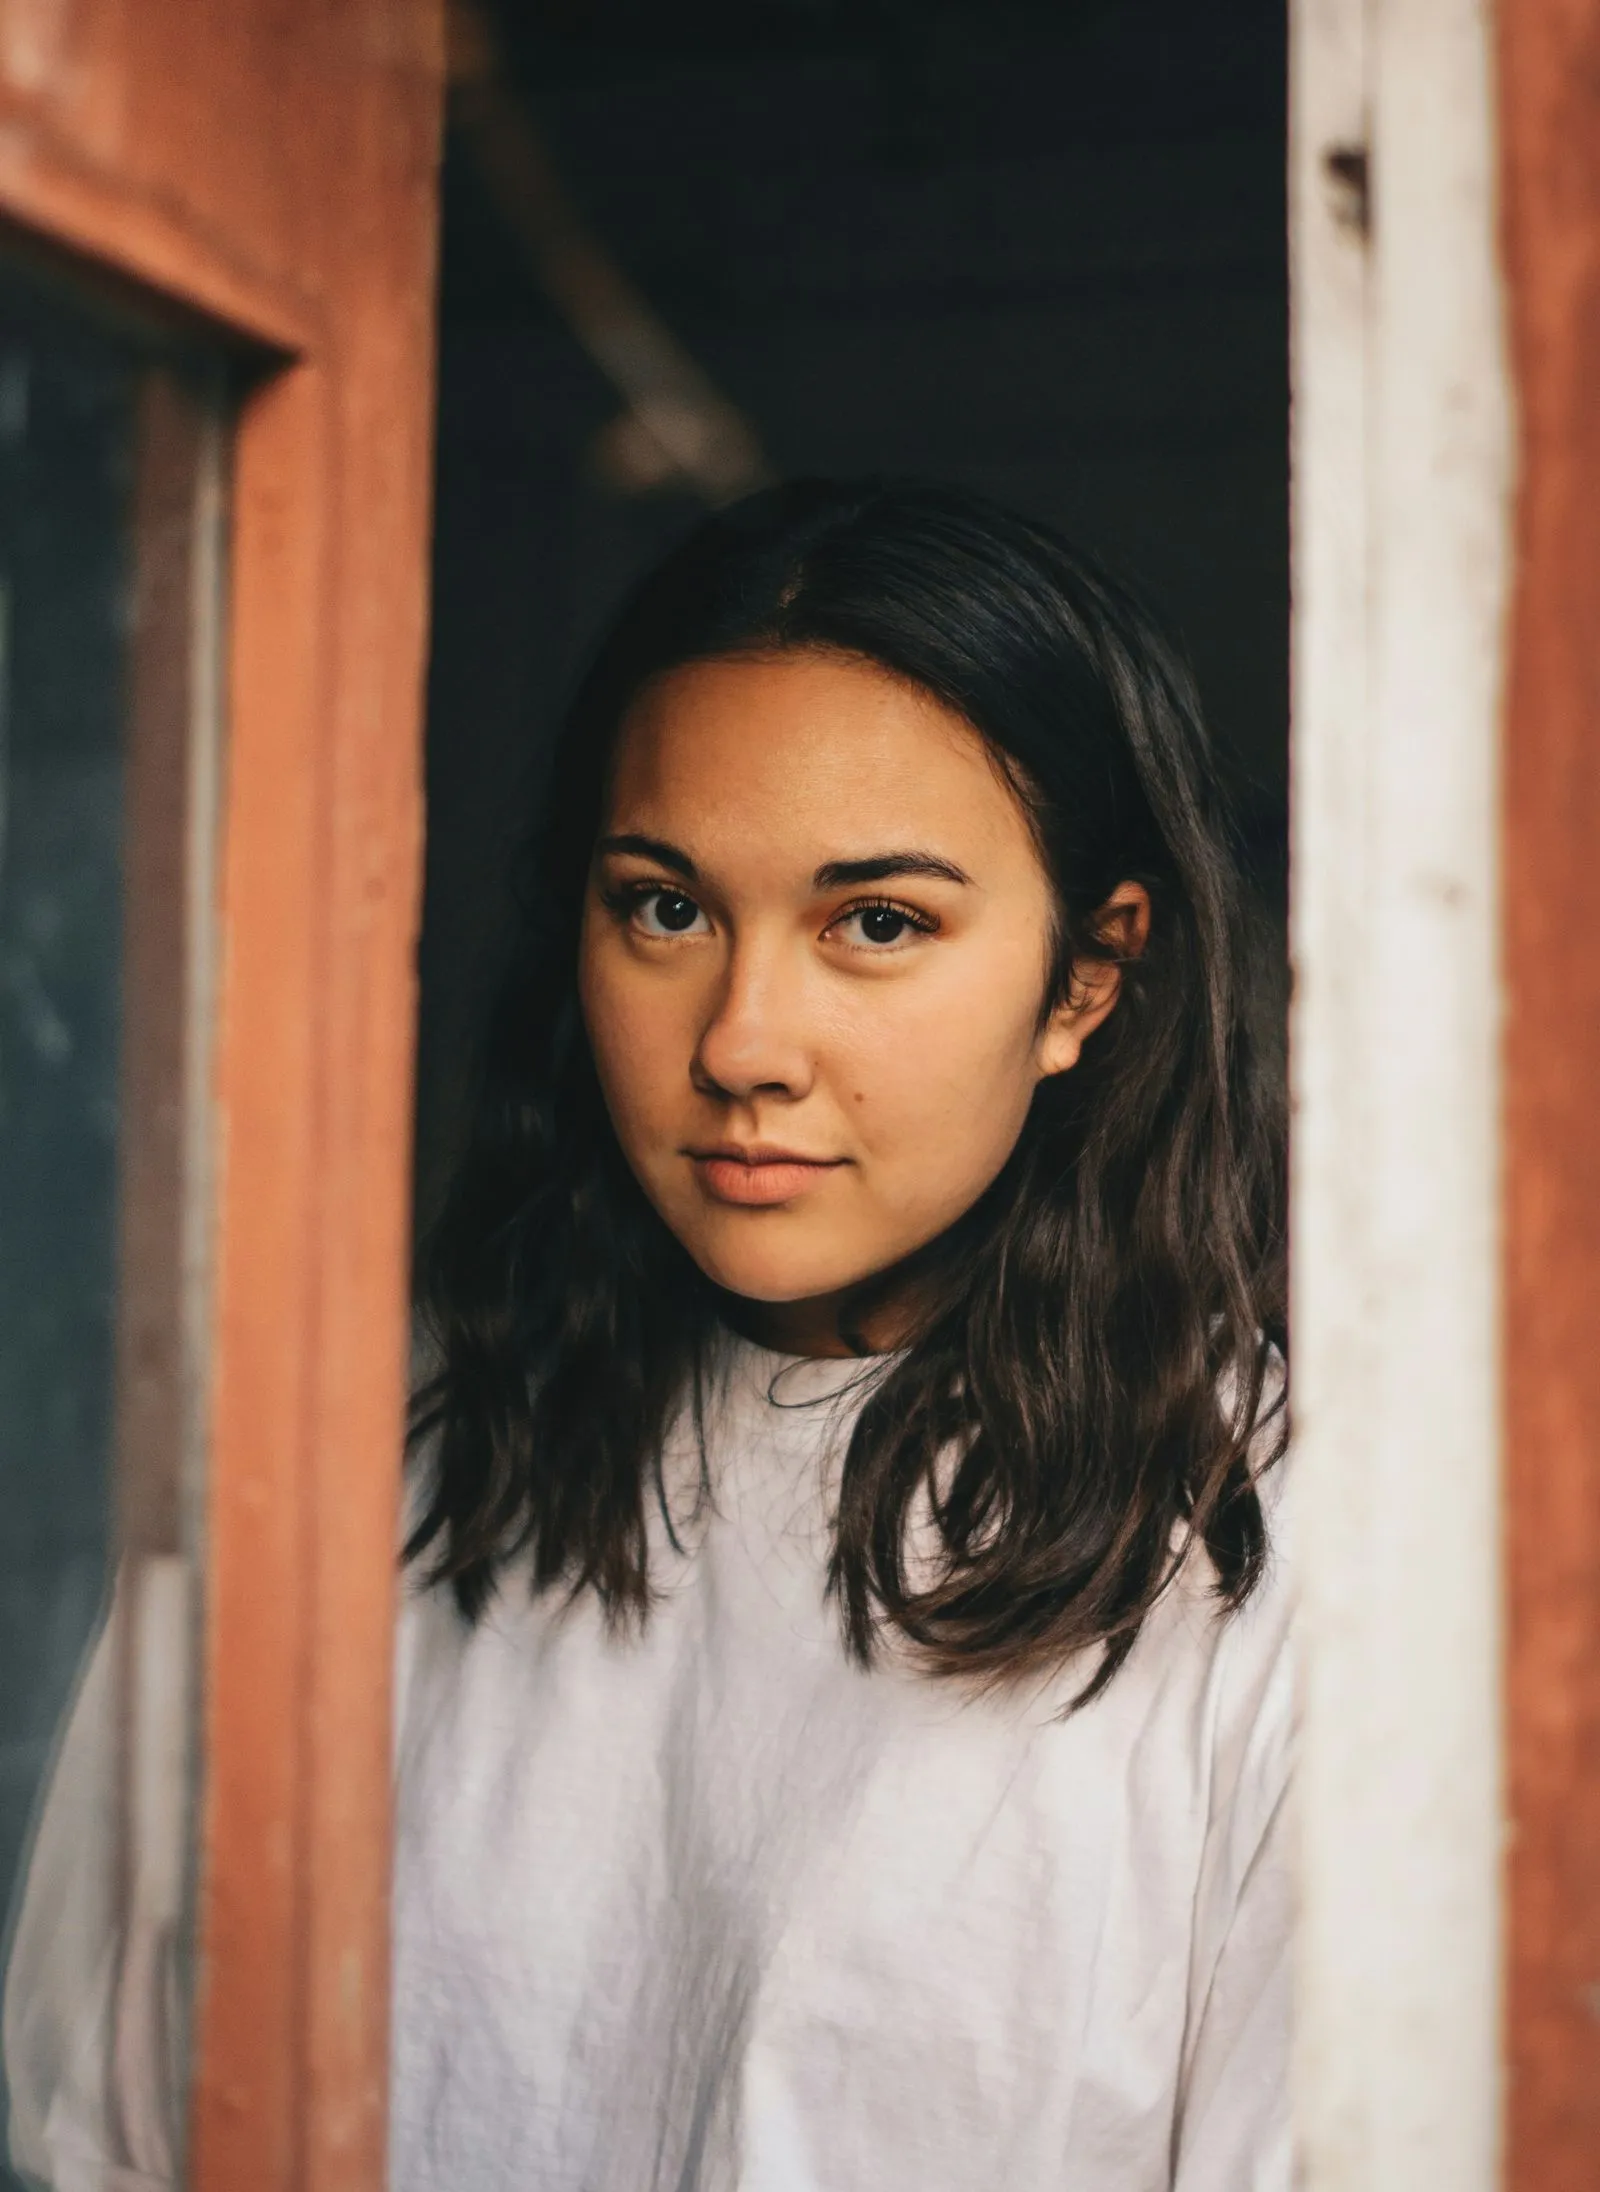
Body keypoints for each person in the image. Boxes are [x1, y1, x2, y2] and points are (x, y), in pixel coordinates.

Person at [5, 478, 1290, 2190]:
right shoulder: (355, 1440)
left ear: (1087, 978)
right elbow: (103, 2130)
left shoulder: (1278, 1549)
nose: (744, 1040)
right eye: (668, 907)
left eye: (878, 923)